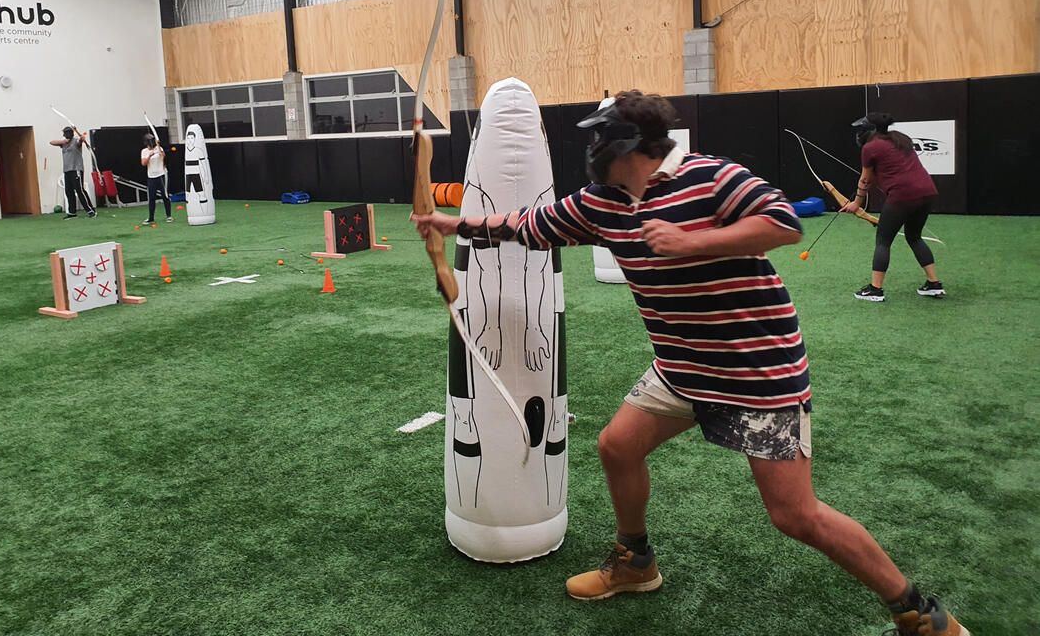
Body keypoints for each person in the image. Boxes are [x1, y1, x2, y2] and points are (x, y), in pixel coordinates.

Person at [412, 91, 968, 636]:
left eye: (601, 139)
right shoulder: (602, 202)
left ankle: (917, 612)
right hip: (681, 370)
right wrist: (451, 225)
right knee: (617, 445)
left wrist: (690, 242)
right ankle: (635, 562)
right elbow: (530, 224)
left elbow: (782, 223)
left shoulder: (709, 175)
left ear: (629, 143)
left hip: (757, 373)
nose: (593, 151)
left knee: (795, 515)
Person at [840, 113, 943, 302]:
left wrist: (856, 204)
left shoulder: (870, 148)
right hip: (927, 192)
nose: (858, 134)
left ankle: (875, 290)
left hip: (902, 196)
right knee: (914, 237)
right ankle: (934, 284)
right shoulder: (900, 138)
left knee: (883, 240)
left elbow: (866, 179)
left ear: (869, 131)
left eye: (861, 130)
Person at [49, 126, 96, 219]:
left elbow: (81, 141)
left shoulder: (76, 141)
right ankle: (72, 213)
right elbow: (51, 142)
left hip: (76, 169)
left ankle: (91, 210)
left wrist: (82, 138)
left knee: (80, 190)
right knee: (68, 191)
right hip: (67, 170)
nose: (66, 135)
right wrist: (64, 141)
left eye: (67, 133)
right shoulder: (63, 143)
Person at [141, 133, 173, 224]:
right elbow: (143, 163)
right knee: (151, 198)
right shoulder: (144, 151)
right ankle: (151, 218)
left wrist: (160, 151)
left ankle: (169, 216)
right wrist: (149, 156)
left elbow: (163, 157)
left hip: (161, 175)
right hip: (151, 177)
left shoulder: (159, 148)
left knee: (165, 195)